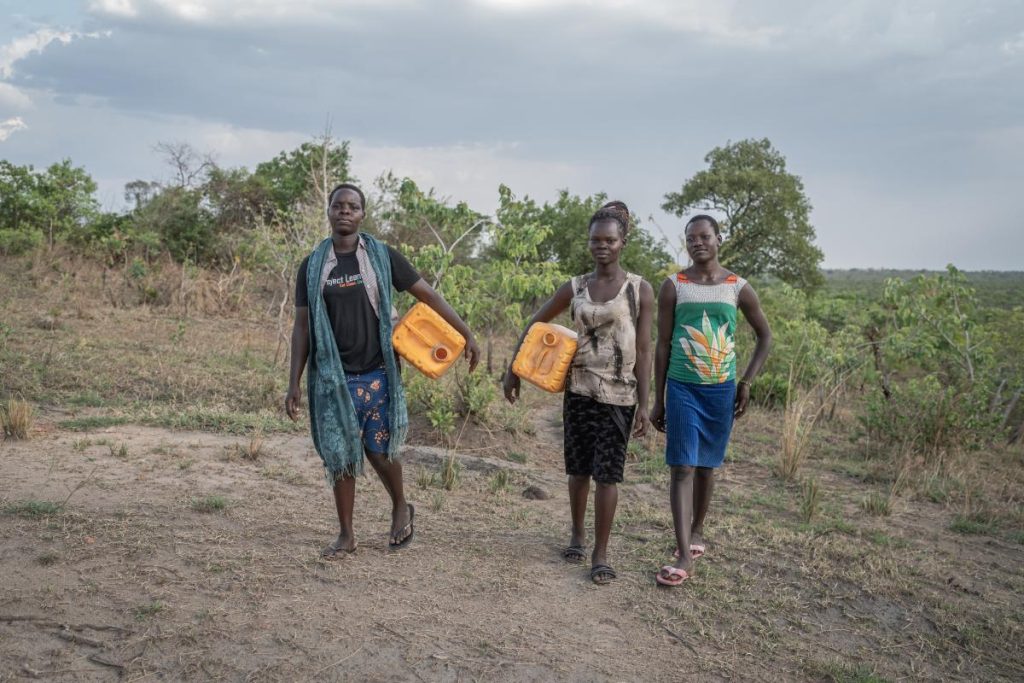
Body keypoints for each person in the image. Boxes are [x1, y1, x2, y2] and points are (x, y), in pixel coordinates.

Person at [285, 183, 480, 558]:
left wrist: (465, 332)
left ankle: (400, 505)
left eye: (353, 206)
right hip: (333, 378)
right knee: (341, 455)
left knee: (378, 451)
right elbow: (302, 327)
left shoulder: (381, 257)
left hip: (378, 373)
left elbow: (429, 296)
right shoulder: (311, 267)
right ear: (328, 211)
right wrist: (293, 381)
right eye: (338, 205)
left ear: (362, 214)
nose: (345, 211)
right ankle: (346, 535)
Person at [503, 201, 654, 585]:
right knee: (578, 470)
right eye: (595, 240)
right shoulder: (576, 287)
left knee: (609, 474)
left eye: (609, 240)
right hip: (579, 389)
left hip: (620, 394)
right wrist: (513, 369)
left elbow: (646, 348)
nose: (601, 246)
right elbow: (536, 322)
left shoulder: (639, 290)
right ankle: (577, 535)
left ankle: (601, 554)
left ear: (623, 242)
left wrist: (645, 404)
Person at [650, 215, 771, 586]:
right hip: (682, 387)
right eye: (691, 238)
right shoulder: (674, 286)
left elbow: (764, 336)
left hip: (721, 389)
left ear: (719, 239)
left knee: (706, 466)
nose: (697, 242)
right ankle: (683, 552)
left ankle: (698, 530)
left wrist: (746, 382)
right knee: (682, 467)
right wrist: (659, 400)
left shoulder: (738, 287)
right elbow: (664, 344)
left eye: (704, 236)